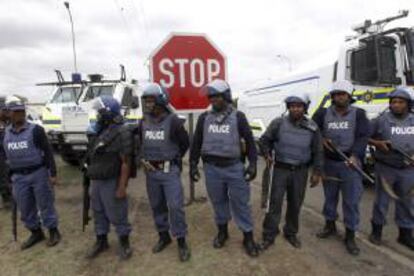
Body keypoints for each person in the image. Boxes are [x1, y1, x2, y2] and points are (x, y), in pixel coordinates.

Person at [190, 79, 260, 257]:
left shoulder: (238, 117)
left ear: (227, 96)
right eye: (211, 96)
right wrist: (192, 165)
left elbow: (251, 143)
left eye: (217, 96)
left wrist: (252, 165)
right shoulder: (204, 118)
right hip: (212, 169)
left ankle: (248, 237)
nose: (213, 99)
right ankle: (223, 232)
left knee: (240, 203)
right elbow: (196, 143)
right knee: (218, 202)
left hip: (234, 168)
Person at [312, 80, 370, 256]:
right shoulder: (323, 113)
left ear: (349, 96)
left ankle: (350, 235)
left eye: (343, 94)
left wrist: (355, 156)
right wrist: (321, 139)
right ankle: (329, 226)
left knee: (351, 202)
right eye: (336, 95)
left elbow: (362, 136)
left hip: (350, 163)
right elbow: (312, 129)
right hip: (329, 164)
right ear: (332, 97)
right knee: (330, 198)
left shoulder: (358, 114)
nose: (340, 97)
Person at [259, 95, 323, 250]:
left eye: (299, 106)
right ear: (288, 107)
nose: (295, 108)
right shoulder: (278, 123)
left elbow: (318, 151)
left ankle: (291, 233)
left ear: (305, 108)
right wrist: (267, 154)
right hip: (279, 169)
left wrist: (317, 172)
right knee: (274, 203)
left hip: (300, 172)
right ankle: (269, 234)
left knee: (295, 204)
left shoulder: (313, 127)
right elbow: (264, 140)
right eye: (292, 106)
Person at [138, 83, 191, 262]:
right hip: (151, 173)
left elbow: (185, 143)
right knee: (157, 205)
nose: (148, 104)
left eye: (151, 100)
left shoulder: (174, 121)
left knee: (175, 206)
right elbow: (140, 143)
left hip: (169, 172)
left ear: (161, 100)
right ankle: (164, 236)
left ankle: (181, 240)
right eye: (146, 100)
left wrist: (174, 158)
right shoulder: (143, 121)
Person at [3, 97, 60, 250]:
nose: (20, 114)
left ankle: (53, 231)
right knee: (25, 207)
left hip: (38, 173)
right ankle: (36, 232)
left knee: (45, 204)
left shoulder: (36, 130)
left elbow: (48, 152)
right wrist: (8, 177)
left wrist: (52, 173)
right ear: (9, 113)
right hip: (18, 177)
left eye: (22, 111)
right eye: (16, 112)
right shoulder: (4, 134)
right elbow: (4, 156)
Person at [85, 96, 133, 260]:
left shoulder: (123, 131)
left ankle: (124, 242)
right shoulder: (99, 130)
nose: (98, 114)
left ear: (109, 112)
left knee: (117, 212)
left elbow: (126, 162)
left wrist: (122, 187)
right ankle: (101, 240)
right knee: (98, 211)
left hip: (113, 180)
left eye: (100, 111)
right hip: (97, 180)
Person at [368, 87, 414, 251]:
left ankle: (405, 234)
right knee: (382, 202)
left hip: (408, 169)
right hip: (386, 168)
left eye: (400, 102)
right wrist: (377, 143)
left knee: (407, 202)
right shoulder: (381, 120)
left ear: (408, 104)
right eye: (393, 102)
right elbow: (364, 135)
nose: (396, 105)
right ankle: (377, 231)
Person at [0, 98, 12, 208]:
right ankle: (7, 200)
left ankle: (10, 198)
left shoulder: (9, 123)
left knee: (8, 176)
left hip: (9, 154)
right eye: (4, 110)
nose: (6, 112)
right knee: (3, 177)